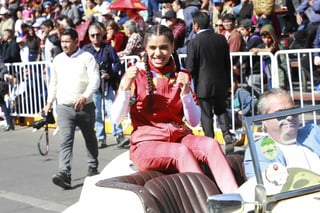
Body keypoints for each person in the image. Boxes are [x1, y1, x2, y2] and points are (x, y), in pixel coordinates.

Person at [111, 24, 238, 194]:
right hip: (146, 144)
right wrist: (125, 88)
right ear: (145, 48)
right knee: (181, 152)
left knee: (211, 144)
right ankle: (208, 201)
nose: (158, 53)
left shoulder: (182, 74)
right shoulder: (135, 75)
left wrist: (186, 91)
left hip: (179, 137)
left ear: (172, 47)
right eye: (153, 48)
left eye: (164, 47)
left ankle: (235, 198)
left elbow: (193, 121)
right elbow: (116, 119)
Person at [43, 28, 100, 189]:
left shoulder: (87, 57)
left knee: (90, 137)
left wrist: (85, 96)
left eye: (68, 41)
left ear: (77, 41)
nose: (64, 44)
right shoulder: (58, 60)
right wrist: (49, 103)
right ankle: (64, 173)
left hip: (85, 107)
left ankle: (92, 167)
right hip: (64, 107)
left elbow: (95, 80)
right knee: (65, 141)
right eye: (62, 41)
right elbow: (53, 83)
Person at [244, 88, 320, 179]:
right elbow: (270, 189)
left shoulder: (313, 132)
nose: (290, 117)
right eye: (280, 114)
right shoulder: (258, 152)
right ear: (263, 119)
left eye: (293, 111)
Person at [186, 12, 236, 147]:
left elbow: (190, 67)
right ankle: (226, 133)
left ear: (195, 25)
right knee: (221, 109)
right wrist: (228, 82)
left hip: (203, 85)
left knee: (206, 114)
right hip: (221, 83)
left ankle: (210, 140)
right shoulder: (221, 39)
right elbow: (227, 63)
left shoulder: (194, 42)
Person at [83, 23, 130, 149]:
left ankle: (119, 135)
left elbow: (117, 64)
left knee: (112, 110)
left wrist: (110, 74)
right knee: (97, 112)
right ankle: (100, 138)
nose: (96, 38)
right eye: (93, 35)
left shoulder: (108, 48)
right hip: (93, 86)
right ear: (89, 36)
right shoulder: (86, 51)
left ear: (102, 34)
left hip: (107, 84)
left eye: (98, 35)